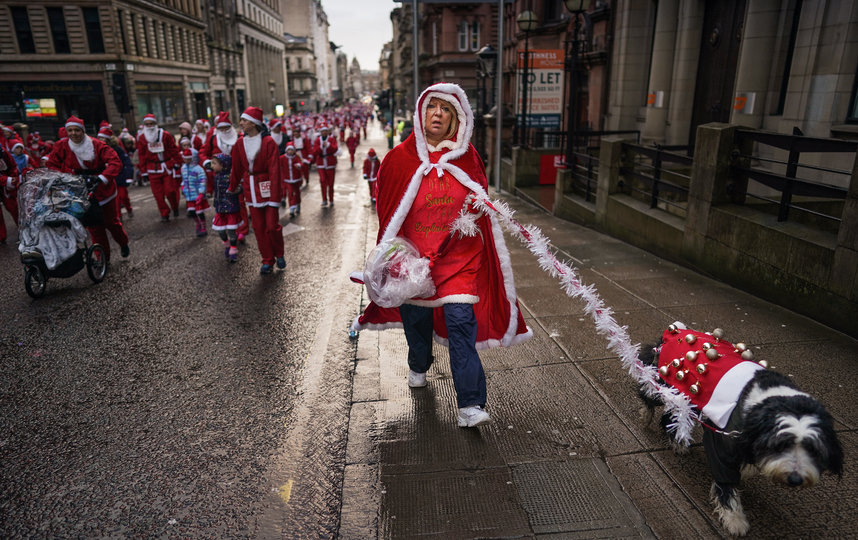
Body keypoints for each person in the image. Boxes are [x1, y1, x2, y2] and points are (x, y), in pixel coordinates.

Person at [351, 83, 531, 428]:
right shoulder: (398, 159)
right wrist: (397, 257)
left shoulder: (469, 158)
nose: (438, 113)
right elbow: (387, 209)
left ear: (457, 118)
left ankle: (470, 405)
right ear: (421, 114)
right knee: (416, 322)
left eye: (446, 109)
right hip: (413, 263)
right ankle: (419, 363)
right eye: (432, 106)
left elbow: (481, 203)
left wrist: (472, 216)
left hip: (458, 260)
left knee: (462, 324)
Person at [46, 116, 130, 260]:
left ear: (83, 131)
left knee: (112, 223)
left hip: (102, 189)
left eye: (77, 130)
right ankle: (103, 258)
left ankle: (123, 243)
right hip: (79, 189)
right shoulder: (62, 146)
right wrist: (61, 177)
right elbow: (51, 164)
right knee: (94, 227)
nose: (73, 133)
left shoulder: (97, 145)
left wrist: (102, 177)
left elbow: (115, 162)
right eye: (70, 130)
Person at [227, 106, 285, 274]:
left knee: (272, 226)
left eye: (244, 120)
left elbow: (275, 170)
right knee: (259, 227)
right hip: (250, 189)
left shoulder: (268, 142)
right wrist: (232, 187)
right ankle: (267, 260)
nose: (241, 123)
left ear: (253, 123)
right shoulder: (239, 143)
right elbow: (236, 168)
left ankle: (279, 253)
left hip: (268, 187)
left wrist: (275, 196)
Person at [200, 111, 250, 243]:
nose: (224, 130)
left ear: (231, 127)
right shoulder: (212, 139)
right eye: (221, 128)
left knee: (240, 203)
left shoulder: (240, 137)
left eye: (226, 128)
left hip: (237, 175)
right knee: (222, 204)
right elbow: (203, 153)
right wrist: (207, 163)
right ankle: (228, 229)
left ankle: (242, 231)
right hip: (219, 178)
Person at [136, 113, 182, 221]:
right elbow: (141, 155)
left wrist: (177, 163)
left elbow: (173, 150)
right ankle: (164, 213)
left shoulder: (165, 135)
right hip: (152, 169)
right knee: (158, 195)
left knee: (170, 191)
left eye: (151, 124)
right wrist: (144, 172)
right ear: (144, 125)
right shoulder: (142, 138)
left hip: (166, 167)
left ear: (155, 124)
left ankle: (175, 207)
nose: (149, 126)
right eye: (147, 124)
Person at [210, 153, 242, 262]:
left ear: (224, 165)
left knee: (231, 230)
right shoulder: (216, 176)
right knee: (221, 231)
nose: (212, 166)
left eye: (214, 163)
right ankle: (227, 244)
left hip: (231, 208)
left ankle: (233, 249)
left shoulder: (231, 177)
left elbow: (239, 186)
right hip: (220, 208)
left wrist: (236, 190)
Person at [97, 127, 134, 219]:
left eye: (103, 138)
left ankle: (129, 209)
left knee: (123, 197)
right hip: (107, 179)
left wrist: (128, 176)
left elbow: (126, 162)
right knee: (115, 200)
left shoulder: (117, 149)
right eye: (99, 138)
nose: (101, 140)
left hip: (119, 177)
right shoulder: (96, 150)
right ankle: (118, 216)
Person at [179, 148, 209, 237]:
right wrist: (182, 186)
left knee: (199, 211)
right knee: (191, 211)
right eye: (185, 158)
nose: (186, 160)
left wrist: (201, 192)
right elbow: (184, 179)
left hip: (197, 194)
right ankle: (197, 223)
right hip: (189, 195)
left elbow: (203, 180)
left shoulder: (198, 169)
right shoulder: (183, 168)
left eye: (188, 158)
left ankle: (203, 226)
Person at [312, 123, 338, 207]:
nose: (324, 133)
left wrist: (329, 146)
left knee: (331, 183)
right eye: (322, 131)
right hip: (321, 163)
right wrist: (321, 147)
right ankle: (324, 199)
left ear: (327, 132)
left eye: (325, 131)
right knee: (323, 181)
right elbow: (315, 152)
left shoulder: (331, 139)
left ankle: (331, 199)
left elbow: (335, 149)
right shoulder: (317, 140)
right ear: (320, 132)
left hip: (330, 163)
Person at [0, 142, 20, 244]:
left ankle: (24, 230)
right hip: (4, 180)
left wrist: (13, 178)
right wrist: (6, 180)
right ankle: (1, 237)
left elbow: (12, 166)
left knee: (13, 206)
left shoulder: (4, 152)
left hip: (6, 184)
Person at [280, 142, 304, 218]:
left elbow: (301, 163)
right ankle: (292, 208)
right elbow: (277, 164)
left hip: (296, 179)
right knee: (290, 193)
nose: (290, 151)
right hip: (287, 179)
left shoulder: (296, 157)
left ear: (294, 151)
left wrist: (299, 165)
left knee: (297, 193)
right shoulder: (282, 158)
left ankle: (298, 204)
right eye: (288, 150)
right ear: (286, 150)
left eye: (291, 150)